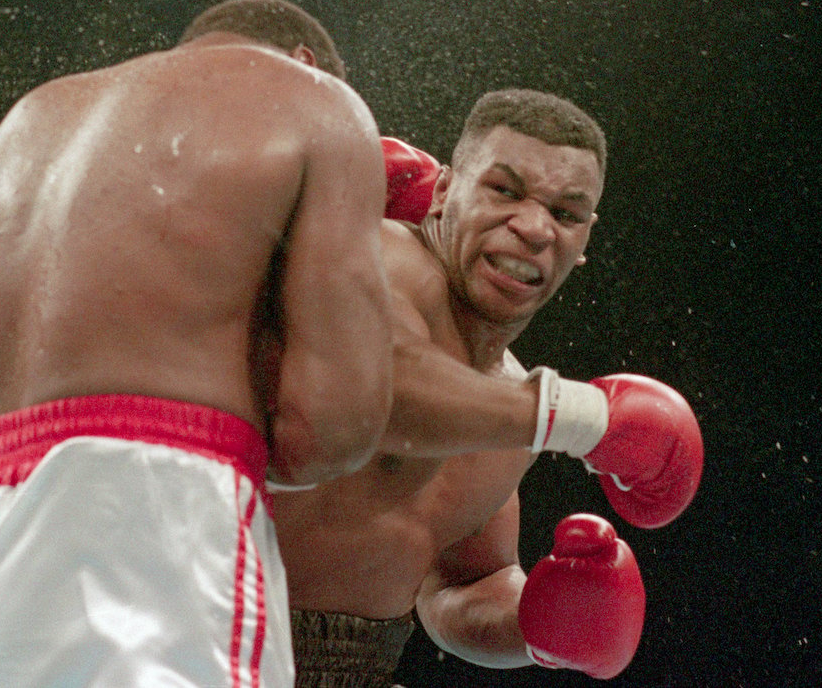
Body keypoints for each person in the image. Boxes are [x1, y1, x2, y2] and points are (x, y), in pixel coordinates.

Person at [0, 0, 395, 688]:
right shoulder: (316, 101)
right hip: (144, 512)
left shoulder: (31, 117)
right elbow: (332, 428)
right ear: (308, 62)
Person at [273, 89, 704, 686]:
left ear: (584, 240)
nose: (534, 228)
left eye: (566, 213)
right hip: (185, 645)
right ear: (446, 190)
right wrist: (584, 419)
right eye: (505, 190)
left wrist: (541, 629)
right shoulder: (373, 257)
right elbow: (376, 393)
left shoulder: (510, 405)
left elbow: (460, 584)